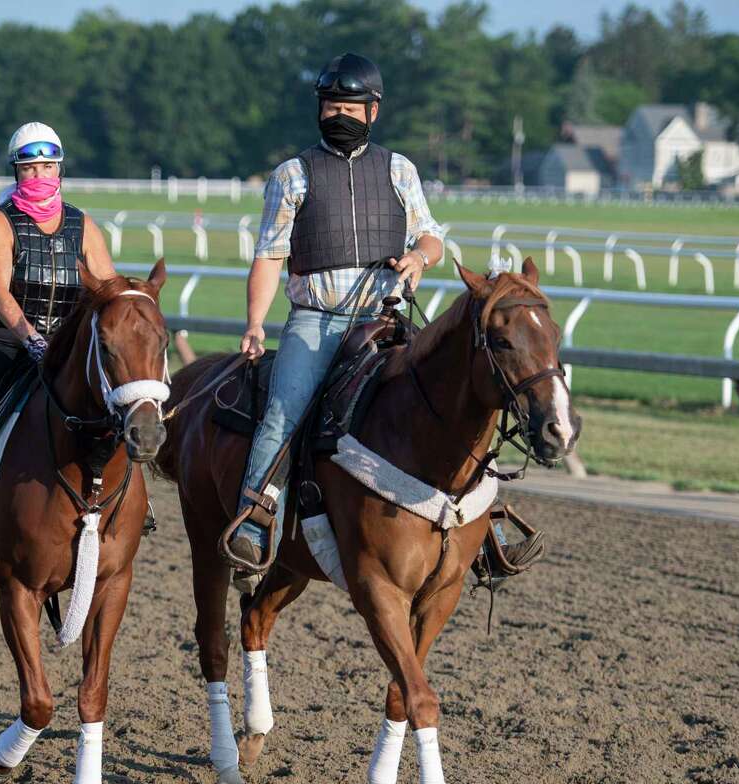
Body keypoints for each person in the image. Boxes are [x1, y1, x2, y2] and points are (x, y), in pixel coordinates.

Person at [225, 53, 539, 592]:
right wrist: (255, 322)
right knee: (284, 409)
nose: (338, 114)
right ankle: (255, 522)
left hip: (383, 318)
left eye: (349, 106)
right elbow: (269, 257)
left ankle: (485, 529)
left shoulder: (400, 169)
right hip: (316, 321)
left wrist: (421, 256)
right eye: (330, 106)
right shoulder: (291, 175)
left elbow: (432, 236)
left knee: (454, 398)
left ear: (373, 111)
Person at [0, 122, 115, 541]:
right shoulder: (0, 223)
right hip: (3, 340)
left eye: (48, 167)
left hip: (64, 346)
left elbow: (106, 288)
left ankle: (130, 501)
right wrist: (32, 340)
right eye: (30, 169)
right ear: (16, 173)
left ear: (60, 170)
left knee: (113, 405)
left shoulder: (83, 226)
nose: (40, 176)